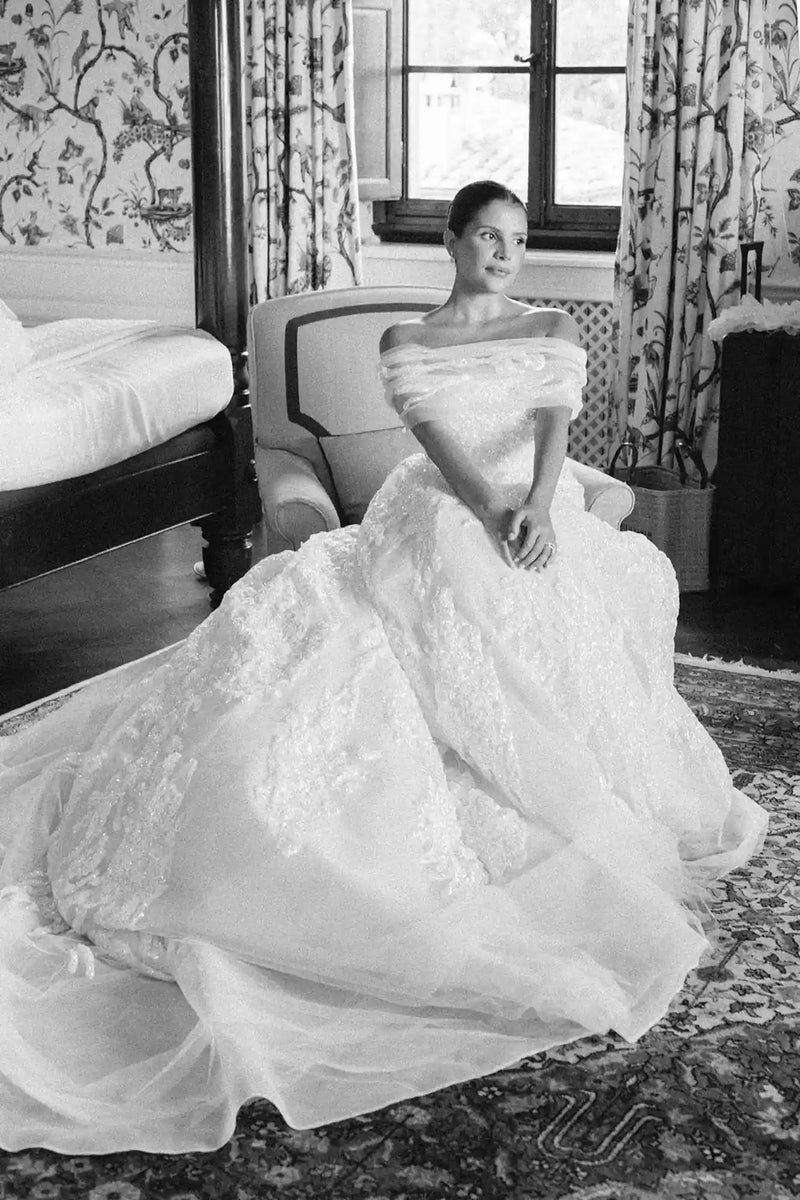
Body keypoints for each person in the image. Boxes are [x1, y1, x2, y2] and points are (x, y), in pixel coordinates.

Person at [0, 180, 766, 1156]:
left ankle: (545, 743)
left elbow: (551, 428)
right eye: (484, 236)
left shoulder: (546, 324)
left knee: (598, 590)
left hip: (534, 504)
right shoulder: (406, 342)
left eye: (515, 240)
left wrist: (535, 505)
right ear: (449, 241)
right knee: (355, 625)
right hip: (440, 509)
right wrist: (490, 512)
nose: (500, 252)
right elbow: (443, 447)